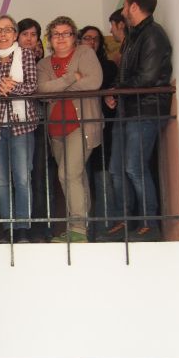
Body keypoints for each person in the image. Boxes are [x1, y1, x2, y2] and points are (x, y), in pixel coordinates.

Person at [101, 0, 173, 242]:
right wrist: (115, 92)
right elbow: (128, 76)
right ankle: (125, 221)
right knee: (116, 169)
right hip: (128, 110)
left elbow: (147, 78)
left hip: (146, 110)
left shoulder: (154, 35)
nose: (122, 11)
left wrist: (118, 90)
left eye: (125, 5)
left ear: (133, 7)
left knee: (134, 167)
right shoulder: (134, 36)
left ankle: (148, 223)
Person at [37, 16, 103, 243]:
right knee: (77, 175)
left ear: (74, 37)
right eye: (56, 34)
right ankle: (83, 228)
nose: (62, 38)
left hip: (81, 124)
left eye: (66, 33)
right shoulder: (44, 64)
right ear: (50, 39)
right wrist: (70, 79)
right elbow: (42, 89)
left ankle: (77, 228)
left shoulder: (84, 53)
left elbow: (94, 82)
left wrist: (59, 87)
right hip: (56, 128)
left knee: (68, 173)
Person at [0, 14, 38, 244]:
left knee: (22, 178)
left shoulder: (27, 55)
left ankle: (23, 228)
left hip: (21, 126)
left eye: (7, 30)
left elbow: (32, 86)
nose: (3, 34)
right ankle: (9, 227)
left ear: (14, 34)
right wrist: (3, 88)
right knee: (1, 182)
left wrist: (8, 88)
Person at [79, 25, 120, 236]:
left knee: (102, 177)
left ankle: (105, 229)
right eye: (87, 38)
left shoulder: (108, 66)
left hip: (103, 129)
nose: (91, 42)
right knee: (80, 180)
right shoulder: (73, 67)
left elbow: (102, 87)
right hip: (77, 129)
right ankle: (84, 230)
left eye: (95, 39)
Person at [18, 17, 55, 242]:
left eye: (34, 35)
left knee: (40, 177)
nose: (30, 39)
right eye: (25, 34)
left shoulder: (43, 63)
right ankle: (22, 227)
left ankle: (42, 228)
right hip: (18, 127)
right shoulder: (8, 62)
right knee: (22, 178)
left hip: (40, 126)